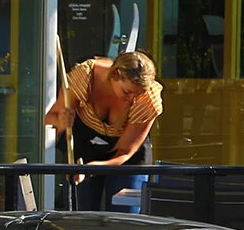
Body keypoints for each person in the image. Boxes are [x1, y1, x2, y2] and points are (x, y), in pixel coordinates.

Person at [43, 50, 163, 213]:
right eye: (127, 92)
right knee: (80, 214)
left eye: (138, 94)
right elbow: (50, 119)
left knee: (125, 218)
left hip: (127, 158)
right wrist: (61, 121)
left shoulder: (148, 100)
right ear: (116, 74)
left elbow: (125, 152)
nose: (132, 100)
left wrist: (94, 168)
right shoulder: (85, 76)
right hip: (84, 147)